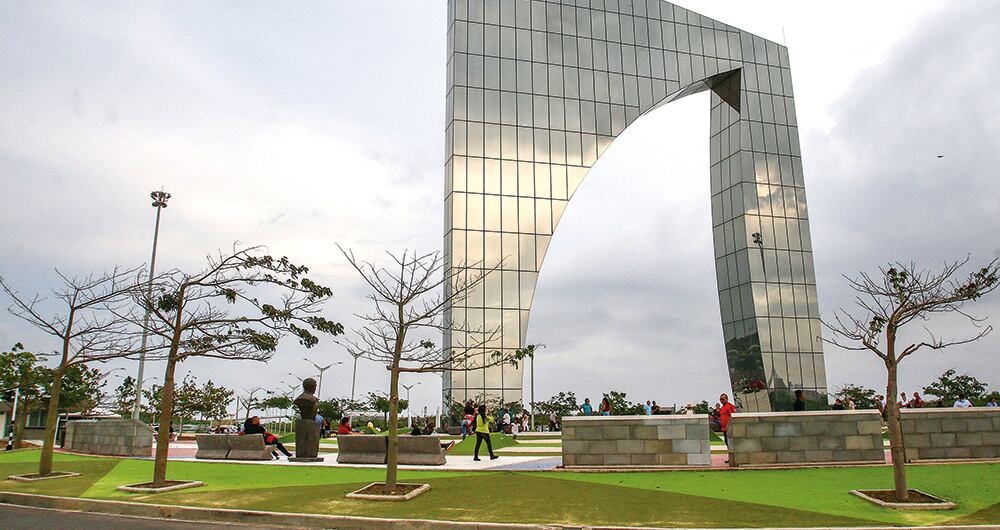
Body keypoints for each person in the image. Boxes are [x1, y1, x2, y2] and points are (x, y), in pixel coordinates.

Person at [718, 393, 737, 461]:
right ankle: (731, 458)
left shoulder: (730, 406)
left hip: (729, 428)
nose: (721, 401)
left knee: (731, 443)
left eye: (723, 399)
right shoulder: (722, 408)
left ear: (727, 399)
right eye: (720, 399)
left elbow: (734, 415)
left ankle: (734, 458)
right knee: (727, 443)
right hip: (724, 429)